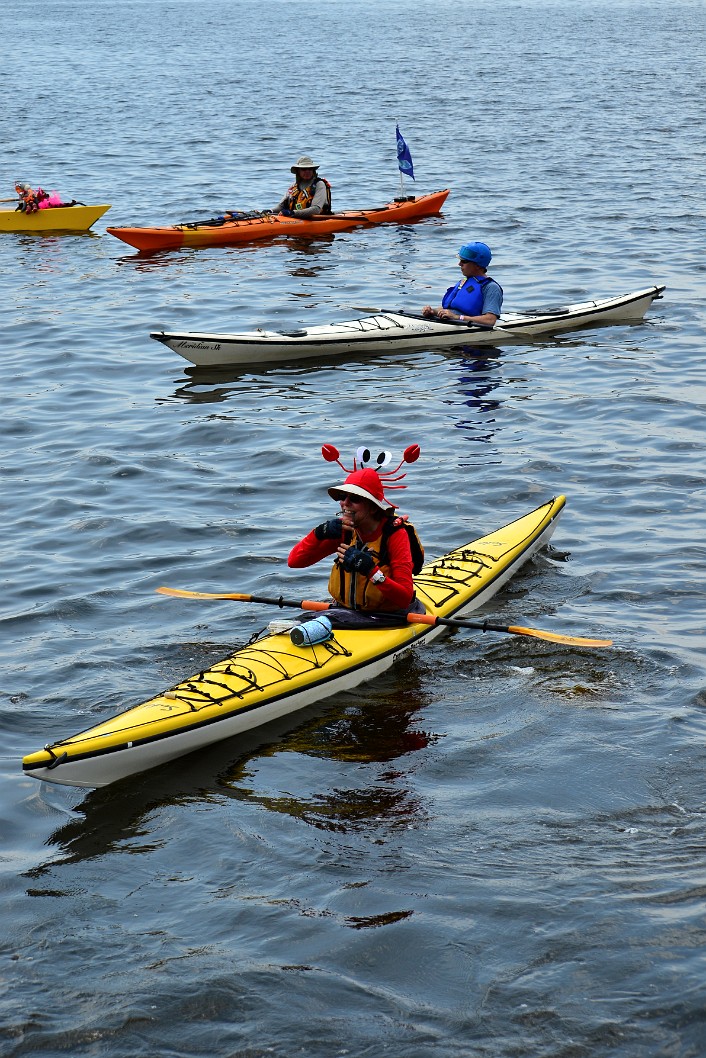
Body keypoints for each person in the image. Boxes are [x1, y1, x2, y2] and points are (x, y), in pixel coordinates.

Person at [288, 467, 424, 622]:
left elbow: (404, 598)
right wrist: (318, 533)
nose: (345, 503)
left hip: (388, 616)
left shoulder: (394, 535)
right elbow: (294, 562)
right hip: (345, 613)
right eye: (342, 496)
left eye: (355, 498)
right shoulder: (344, 530)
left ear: (373, 508)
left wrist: (371, 571)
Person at [422, 242, 503, 327]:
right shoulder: (464, 282)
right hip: (453, 321)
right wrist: (432, 311)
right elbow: (452, 309)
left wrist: (457, 317)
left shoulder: (491, 287)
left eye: (464, 261)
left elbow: (490, 320)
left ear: (478, 265)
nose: (459, 264)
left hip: (466, 324)